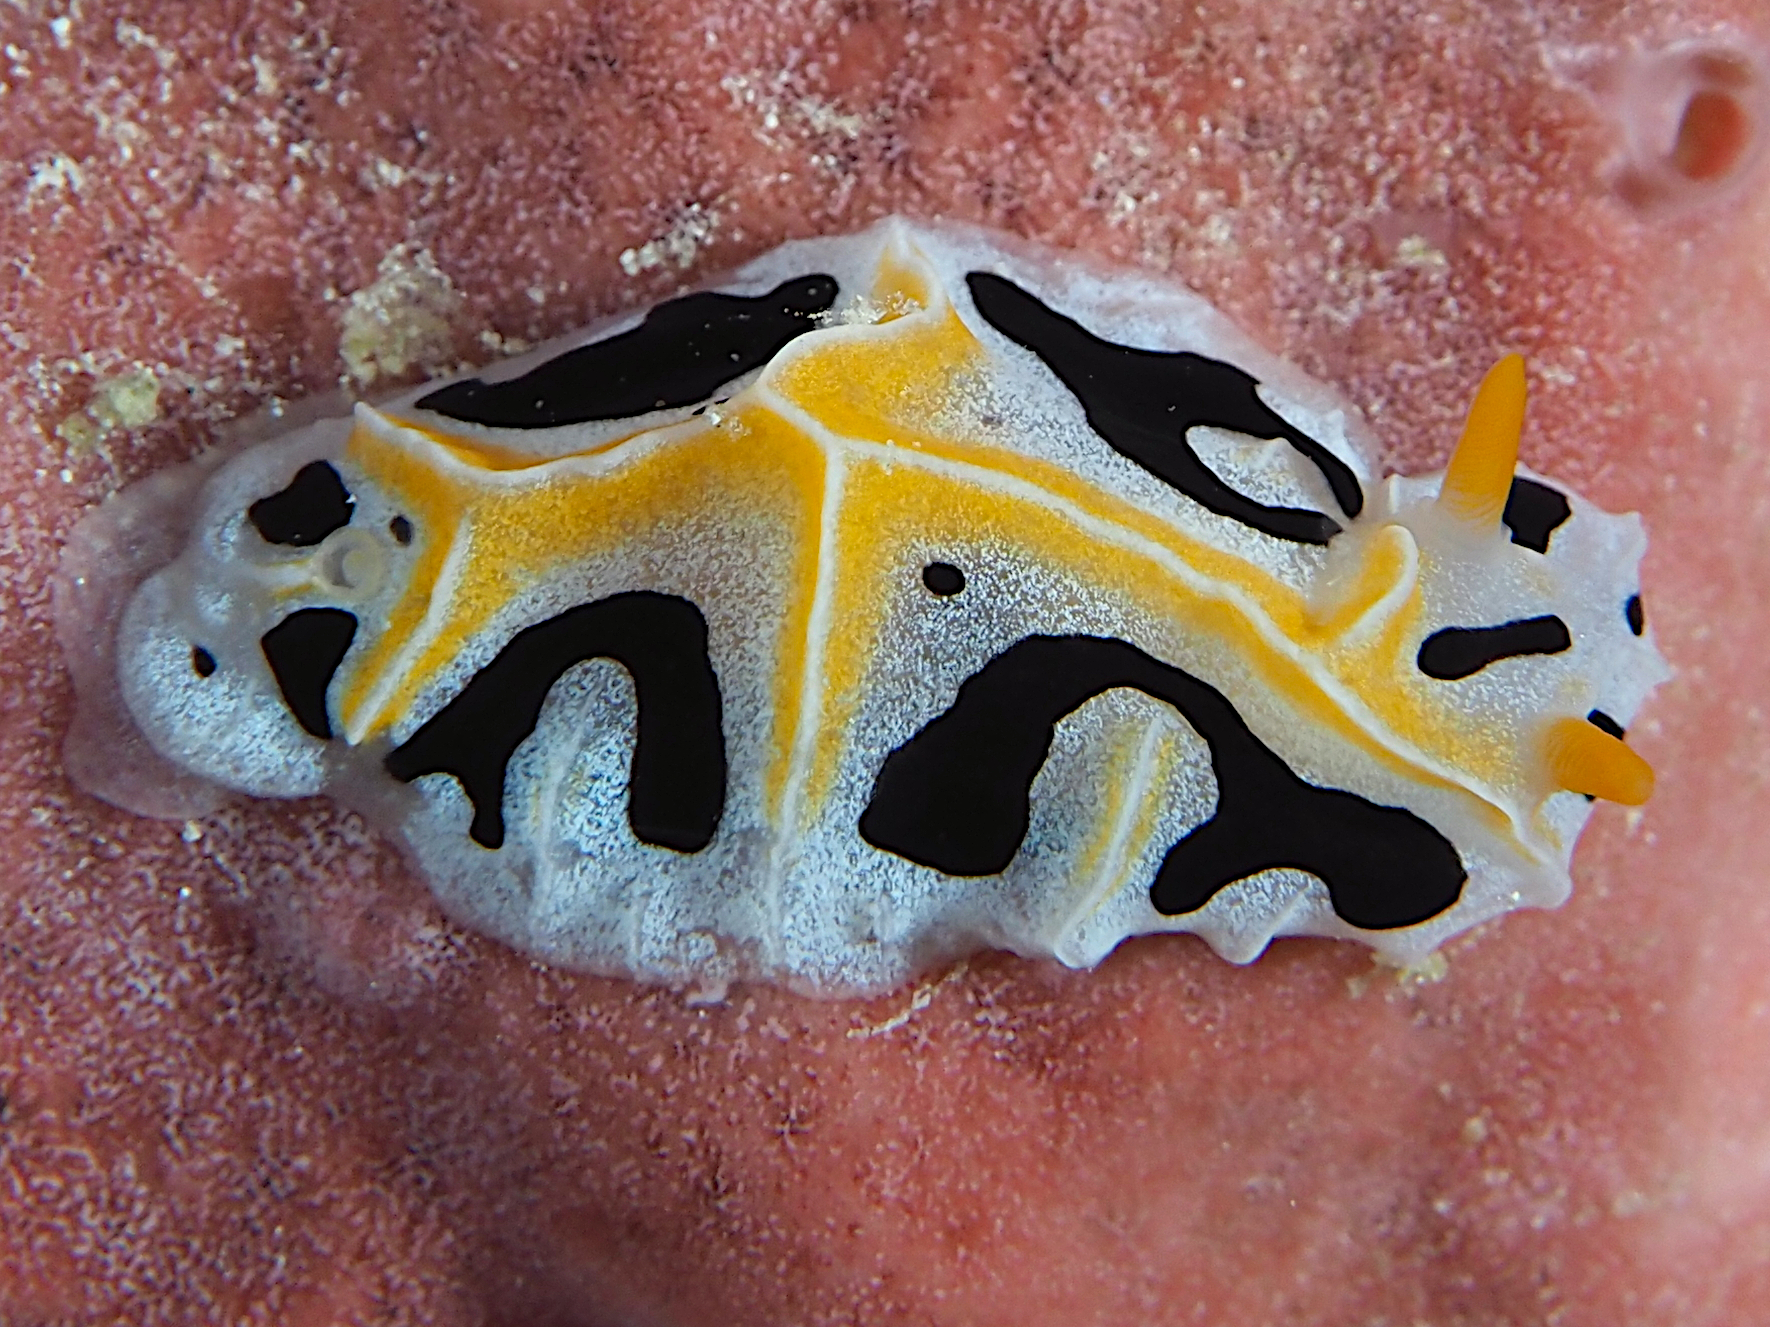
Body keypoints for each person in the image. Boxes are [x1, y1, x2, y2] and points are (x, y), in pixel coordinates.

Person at [2, 3, 1765, 1321]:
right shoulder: (1306, 510)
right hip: (803, 474)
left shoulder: (1349, 624)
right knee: (762, 468)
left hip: (892, 481)